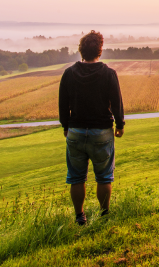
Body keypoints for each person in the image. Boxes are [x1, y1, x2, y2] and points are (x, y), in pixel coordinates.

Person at [59, 30, 124, 225]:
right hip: (102, 132)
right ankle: (104, 215)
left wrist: (66, 127)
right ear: (100, 51)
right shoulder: (109, 74)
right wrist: (120, 125)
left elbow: (63, 104)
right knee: (104, 177)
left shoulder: (69, 73)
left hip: (76, 132)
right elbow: (117, 103)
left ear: (80, 51)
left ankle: (80, 217)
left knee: (76, 177)